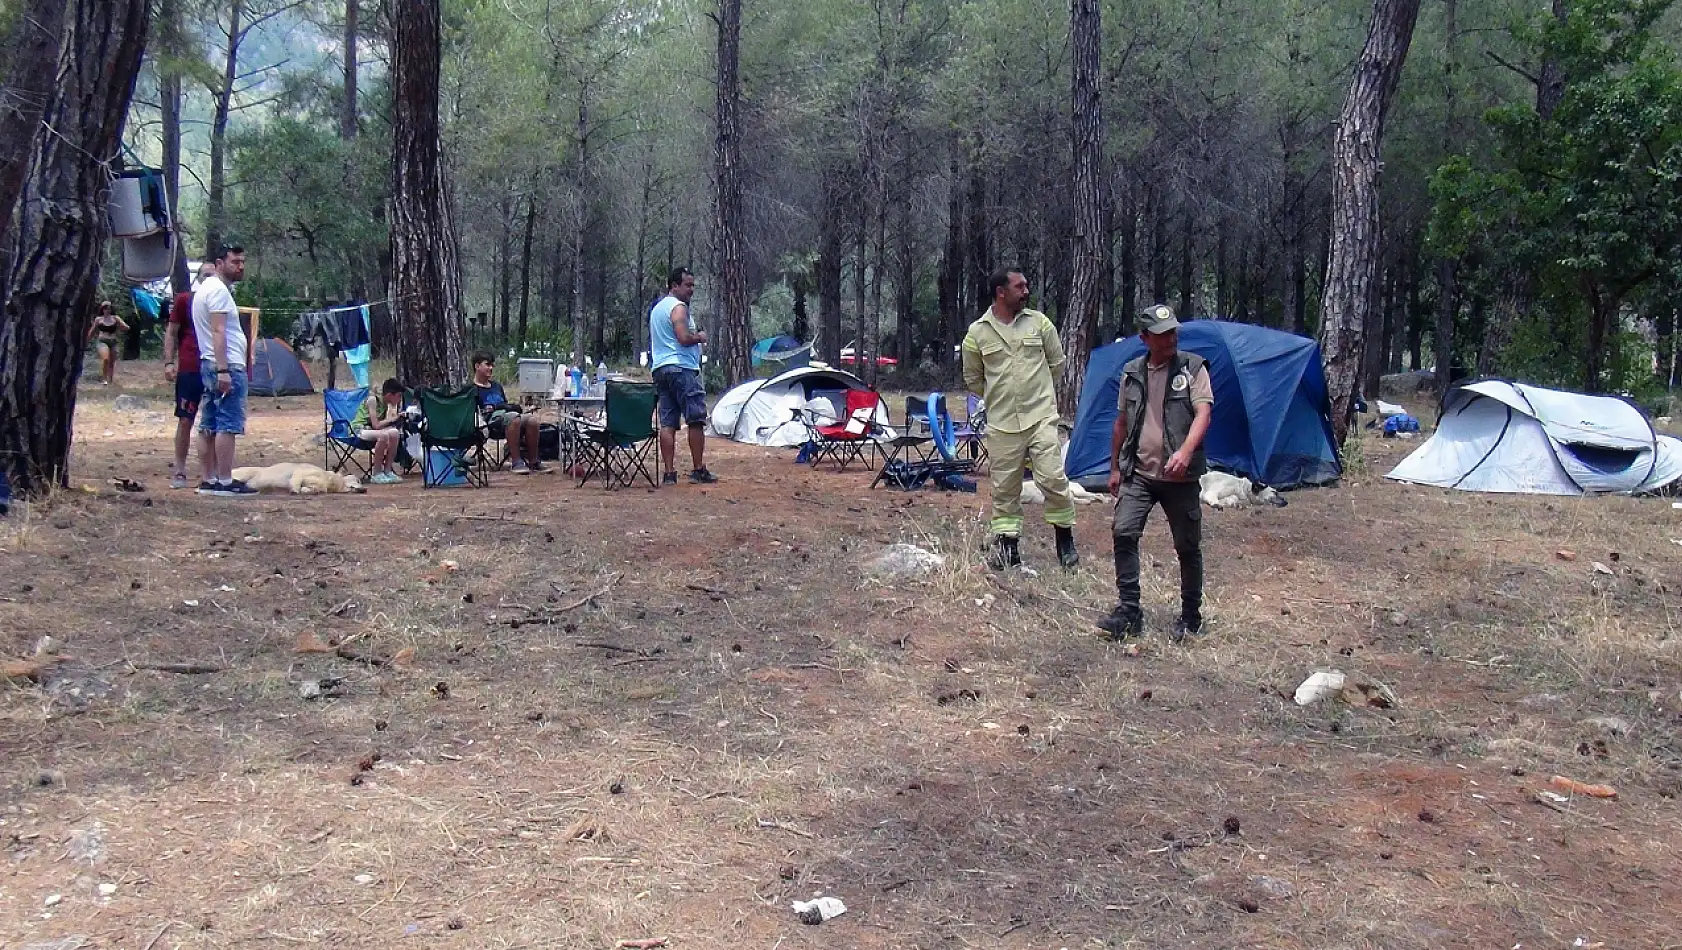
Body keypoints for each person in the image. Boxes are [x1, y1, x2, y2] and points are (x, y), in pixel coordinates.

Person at [1098, 304, 1215, 641]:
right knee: (1123, 531)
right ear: (1145, 337)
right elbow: (1121, 423)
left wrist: (1184, 451)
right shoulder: (1132, 372)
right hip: (1139, 473)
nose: (1171, 339)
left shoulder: (1193, 368)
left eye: (1174, 332)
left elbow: (1203, 413)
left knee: (1187, 546)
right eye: (1163, 335)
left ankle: (1191, 616)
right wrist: (1115, 467)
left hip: (1180, 477)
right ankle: (1129, 611)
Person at [961, 268, 1078, 571]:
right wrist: (1002, 394)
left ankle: (1065, 541)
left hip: (1040, 416)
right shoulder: (977, 333)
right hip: (1002, 423)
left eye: (1025, 286)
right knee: (1005, 488)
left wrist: (1035, 393)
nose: (1026, 291)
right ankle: (1008, 547)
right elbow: (974, 380)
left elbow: (1057, 364)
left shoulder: (1040, 323)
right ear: (1001, 291)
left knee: (1052, 478)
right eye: (1019, 286)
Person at [192, 244, 256, 497]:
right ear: (219, 263)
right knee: (227, 423)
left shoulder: (206, 289)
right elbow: (218, 331)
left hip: (210, 362)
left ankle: (208, 479)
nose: (240, 267)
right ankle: (224, 481)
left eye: (242, 262)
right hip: (223, 364)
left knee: (209, 421)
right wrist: (223, 370)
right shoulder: (217, 290)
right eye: (235, 262)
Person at [649, 267, 716, 484]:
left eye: (693, 285)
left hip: (661, 369)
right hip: (681, 368)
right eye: (687, 285)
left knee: (668, 422)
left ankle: (669, 473)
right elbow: (683, 337)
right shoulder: (678, 308)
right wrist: (700, 337)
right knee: (695, 418)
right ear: (674, 285)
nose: (691, 290)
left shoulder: (657, 309)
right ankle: (698, 469)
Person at [162, 264, 216, 489]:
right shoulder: (185, 300)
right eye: (205, 275)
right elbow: (172, 331)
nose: (209, 279)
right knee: (186, 419)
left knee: (214, 421)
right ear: (199, 279)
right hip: (190, 366)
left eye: (213, 275)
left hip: (215, 366)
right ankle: (180, 469)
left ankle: (211, 472)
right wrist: (169, 362)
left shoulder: (222, 301)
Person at [470, 351, 542, 472]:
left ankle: (534, 461)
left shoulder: (496, 386)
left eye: (492, 365)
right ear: (477, 366)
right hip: (488, 424)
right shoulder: (471, 389)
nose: (491, 368)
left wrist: (511, 407)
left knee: (532, 420)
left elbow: (505, 405)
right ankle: (516, 462)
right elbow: (474, 414)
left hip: (507, 418)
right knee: (513, 417)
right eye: (487, 364)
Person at [355, 378, 409, 484]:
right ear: (389, 395)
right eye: (398, 396)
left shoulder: (386, 403)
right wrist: (393, 419)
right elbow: (376, 425)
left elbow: (381, 425)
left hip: (372, 431)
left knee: (394, 433)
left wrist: (396, 419)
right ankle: (376, 473)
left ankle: (388, 470)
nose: (399, 400)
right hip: (359, 430)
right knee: (383, 435)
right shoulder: (373, 400)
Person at [86, 301, 130, 386]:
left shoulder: (115, 318)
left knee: (112, 362)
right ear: (102, 309)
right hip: (102, 340)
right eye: (105, 308)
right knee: (105, 359)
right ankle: (104, 379)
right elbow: (91, 331)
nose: (107, 310)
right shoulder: (98, 319)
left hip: (113, 341)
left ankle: (110, 380)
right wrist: (86, 341)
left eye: (109, 308)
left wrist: (121, 326)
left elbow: (126, 327)